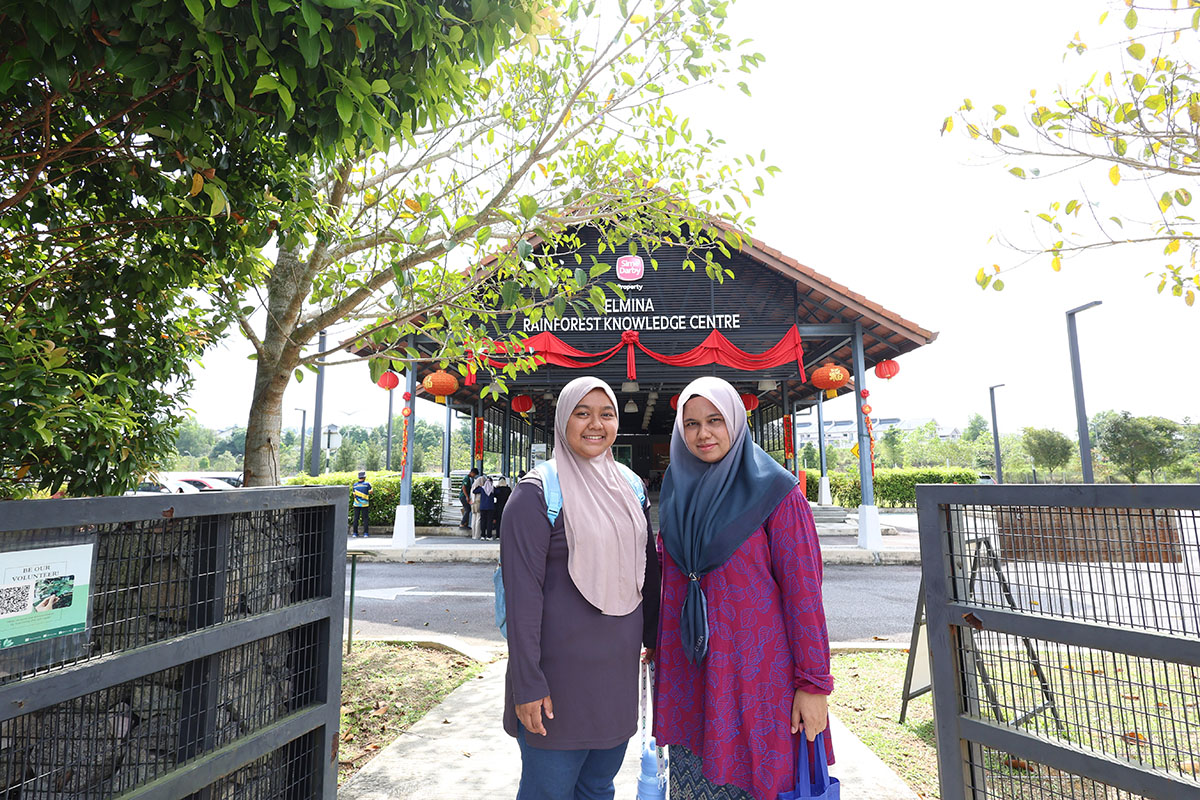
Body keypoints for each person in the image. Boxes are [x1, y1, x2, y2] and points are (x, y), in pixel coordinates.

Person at [653, 376, 833, 800]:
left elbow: (804, 594)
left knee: (755, 780)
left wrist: (813, 684)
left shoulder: (776, 492)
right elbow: (668, 577)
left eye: (715, 420)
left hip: (756, 679)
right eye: (691, 424)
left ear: (736, 421)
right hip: (690, 673)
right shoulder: (677, 490)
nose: (703, 434)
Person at [501, 376, 661, 800]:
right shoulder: (535, 495)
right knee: (548, 792)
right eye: (582, 413)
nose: (596, 424)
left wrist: (655, 640)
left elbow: (649, 569)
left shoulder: (630, 487)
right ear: (562, 421)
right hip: (555, 686)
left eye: (606, 413)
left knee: (597, 788)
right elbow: (522, 598)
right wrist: (527, 684)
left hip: (615, 680)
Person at [473, 472, 496, 540]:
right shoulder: (493, 489)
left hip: (483, 507)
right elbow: (498, 493)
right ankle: (489, 536)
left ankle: (483, 535)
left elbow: (474, 491)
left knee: (483, 521)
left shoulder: (482, 489)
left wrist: (480, 486)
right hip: (491, 507)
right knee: (489, 522)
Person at [350, 470, 372, 537]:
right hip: (365, 504)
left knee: (356, 518)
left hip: (356, 504)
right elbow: (371, 492)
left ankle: (355, 533)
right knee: (365, 518)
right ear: (364, 477)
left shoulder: (355, 485)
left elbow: (354, 494)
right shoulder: (367, 484)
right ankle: (365, 533)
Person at [491, 476, 512, 540]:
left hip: (498, 506)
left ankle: (498, 535)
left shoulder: (497, 489)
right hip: (506, 507)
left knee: (498, 522)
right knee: (506, 522)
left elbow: (493, 495)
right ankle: (505, 535)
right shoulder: (508, 489)